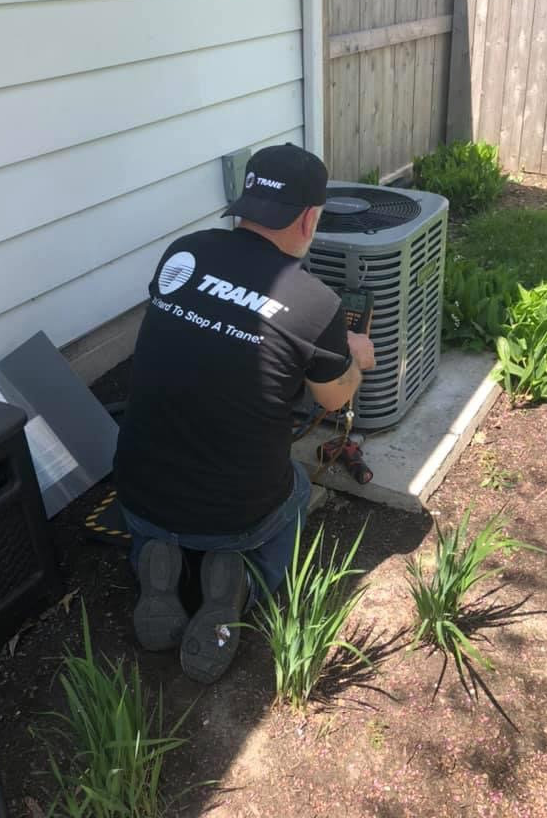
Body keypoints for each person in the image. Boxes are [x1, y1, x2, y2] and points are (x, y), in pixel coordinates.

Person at [113, 143, 375, 684]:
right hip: (234, 516)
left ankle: (155, 561)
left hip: (137, 493)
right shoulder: (315, 303)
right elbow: (334, 399)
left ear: (245, 202)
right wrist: (356, 359)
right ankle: (244, 584)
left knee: (164, 511)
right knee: (296, 487)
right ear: (310, 218)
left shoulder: (182, 252)